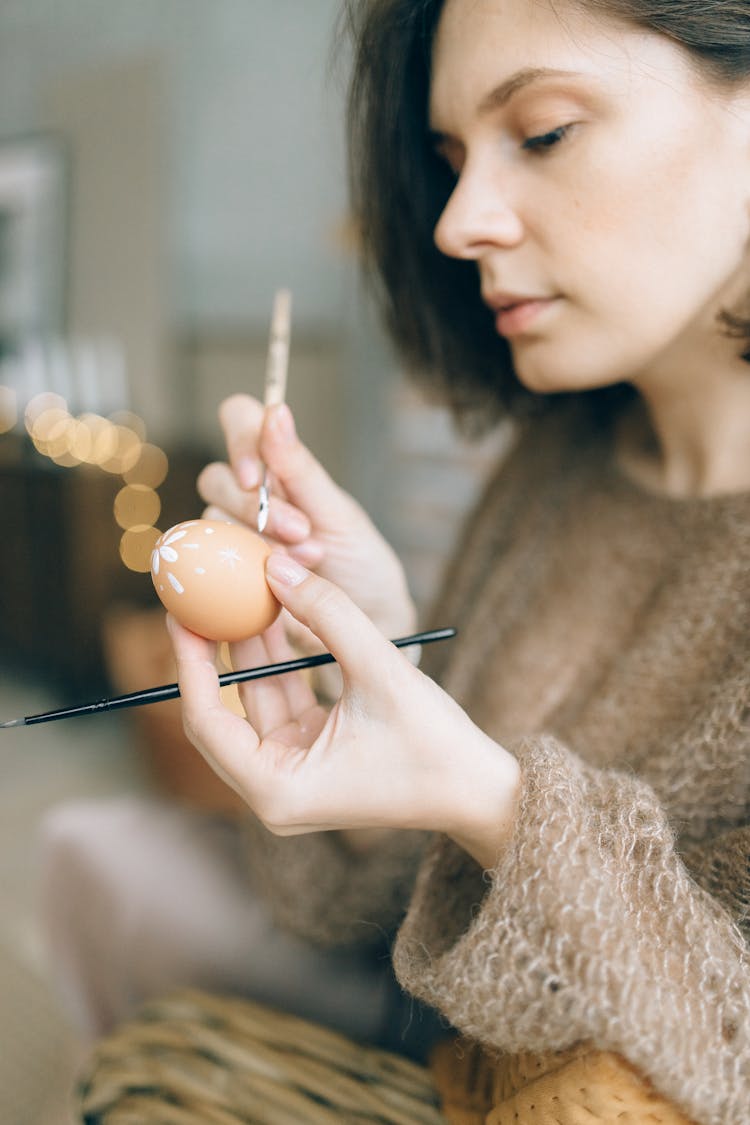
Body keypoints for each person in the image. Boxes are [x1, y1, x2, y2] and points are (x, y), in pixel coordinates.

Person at [41, 0, 750, 1120]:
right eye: (449, 159)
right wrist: (372, 696)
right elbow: (394, 922)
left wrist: (490, 800)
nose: (458, 222)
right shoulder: (558, 463)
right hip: (431, 1033)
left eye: (547, 130)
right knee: (92, 847)